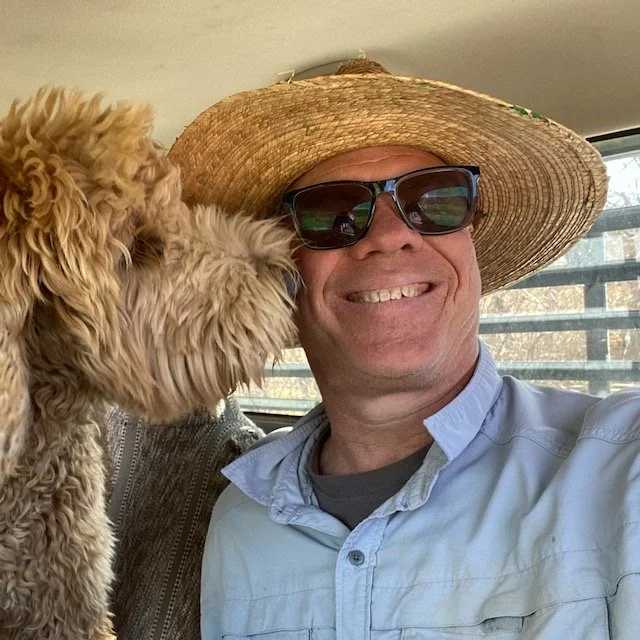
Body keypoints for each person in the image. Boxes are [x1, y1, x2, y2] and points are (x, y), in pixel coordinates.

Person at [169, 59, 640, 638]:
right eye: (332, 213)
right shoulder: (239, 523)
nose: (391, 236)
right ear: (279, 269)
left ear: (470, 237)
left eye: (435, 200)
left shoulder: (619, 471)